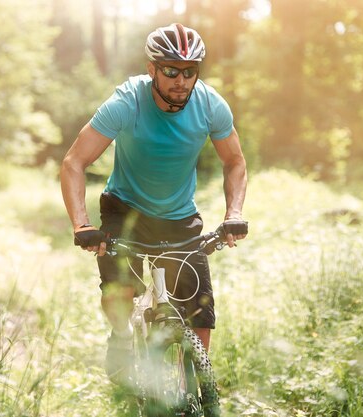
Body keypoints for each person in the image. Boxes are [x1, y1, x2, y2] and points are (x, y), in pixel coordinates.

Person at [60, 23, 248, 382]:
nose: (181, 80)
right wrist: (82, 224)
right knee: (121, 291)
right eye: (171, 71)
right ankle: (120, 336)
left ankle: (196, 390)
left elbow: (235, 161)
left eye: (189, 71)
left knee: (200, 311)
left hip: (179, 216)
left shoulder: (211, 106)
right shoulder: (126, 102)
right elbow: (74, 162)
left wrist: (234, 213)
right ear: (152, 70)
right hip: (123, 208)